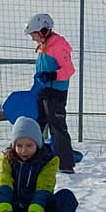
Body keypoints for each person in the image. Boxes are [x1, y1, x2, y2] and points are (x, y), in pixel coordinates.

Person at [25, 12, 76, 172]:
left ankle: (65, 165)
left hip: (55, 93)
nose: (33, 39)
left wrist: (51, 75)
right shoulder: (44, 46)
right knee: (37, 125)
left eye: (34, 35)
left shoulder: (58, 46)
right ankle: (34, 159)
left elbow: (69, 70)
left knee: (57, 127)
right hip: (44, 90)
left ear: (43, 31)